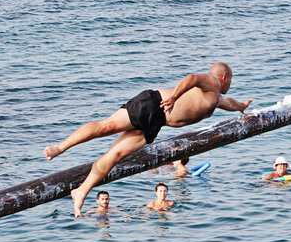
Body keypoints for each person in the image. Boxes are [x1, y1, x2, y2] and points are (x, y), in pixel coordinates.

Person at [44, 62, 252, 217]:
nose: (231, 83)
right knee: (105, 127)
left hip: (157, 123)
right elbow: (192, 78)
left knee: (115, 155)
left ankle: (81, 191)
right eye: (231, 79)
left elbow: (228, 103)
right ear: (224, 77)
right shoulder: (212, 81)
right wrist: (174, 97)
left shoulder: (215, 97)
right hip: (154, 104)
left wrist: (241, 106)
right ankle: (60, 147)